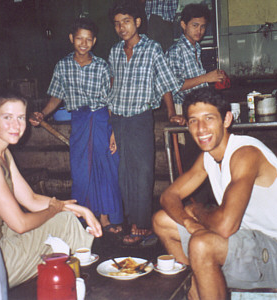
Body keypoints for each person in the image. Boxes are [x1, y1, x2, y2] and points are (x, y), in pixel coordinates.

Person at [0, 90, 102, 299]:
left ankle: (65, 278)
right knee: (62, 223)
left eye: (21, 118)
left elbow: (31, 200)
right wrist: (56, 209)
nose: (16, 126)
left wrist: (79, 209)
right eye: (7, 117)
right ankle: (69, 286)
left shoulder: (2, 153)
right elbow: (20, 224)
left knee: (65, 219)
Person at [153, 88, 277, 299]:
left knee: (201, 244)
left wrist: (198, 211)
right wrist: (188, 222)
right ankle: (197, 295)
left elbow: (226, 226)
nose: (201, 129)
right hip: (244, 242)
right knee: (163, 220)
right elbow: (168, 196)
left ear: (226, 120)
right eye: (193, 121)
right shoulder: (208, 157)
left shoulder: (245, 154)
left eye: (209, 118)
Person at [30, 18, 124, 235]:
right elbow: (56, 96)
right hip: (80, 122)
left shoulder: (102, 66)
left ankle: (105, 218)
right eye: (79, 38)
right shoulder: (62, 66)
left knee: (105, 168)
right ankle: (83, 217)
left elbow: (110, 101)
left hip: (101, 121)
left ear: (94, 41)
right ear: (71, 39)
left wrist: (114, 133)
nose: (83, 43)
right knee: (81, 170)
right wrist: (42, 113)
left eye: (88, 39)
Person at [107, 0, 182, 246]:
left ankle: (143, 225)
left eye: (126, 22)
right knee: (122, 173)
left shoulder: (152, 48)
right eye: (117, 23)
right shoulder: (115, 51)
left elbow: (165, 83)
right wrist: (110, 128)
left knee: (142, 172)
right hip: (117, 119)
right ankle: (130, 222)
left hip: (140, 118)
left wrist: (171, 113)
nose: (122, 28)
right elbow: (112, 88)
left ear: (137, 22)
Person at [166, 3, 226, 120]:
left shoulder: (196, 48)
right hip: (183, 108)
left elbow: (197, 81)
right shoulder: (176, 51)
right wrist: (206, 77)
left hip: (199, 104)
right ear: (183, 25)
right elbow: (176, 86)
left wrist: (215, 78)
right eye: (195, 25)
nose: (199, 30)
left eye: (203, 26)